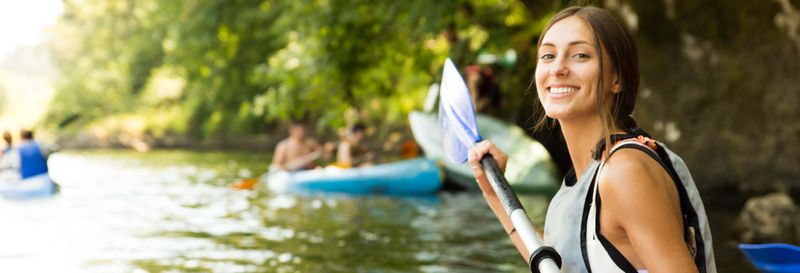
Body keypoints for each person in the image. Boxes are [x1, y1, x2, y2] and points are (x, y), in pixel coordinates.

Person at [468, 6, 716, 273]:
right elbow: (558, 265)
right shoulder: (585, 179)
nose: (558, 68)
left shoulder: (624, 171)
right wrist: (495, 194)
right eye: (548, 55)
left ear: (617, 78)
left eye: (580, 55)